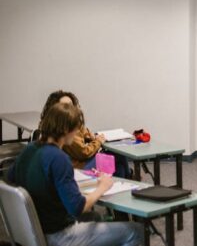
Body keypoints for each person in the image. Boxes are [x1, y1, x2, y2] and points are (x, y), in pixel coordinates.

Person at [9, 102, 143, 246]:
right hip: (57, 235)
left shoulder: (29, 150)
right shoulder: (59, 158)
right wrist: (102, 187)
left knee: (95, 217)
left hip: (30, 232)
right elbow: (78, 208)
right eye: (77, 128)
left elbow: (11, 181)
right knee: (136, 231)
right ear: (67, 129)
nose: (78, 133)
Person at [40, 90, 130, 178]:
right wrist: (97, 141)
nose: (70, 109)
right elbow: (84, 153)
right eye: (66, 106)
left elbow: (82, 130)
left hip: (80, 162)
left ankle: (123, 184)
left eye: (71, 105)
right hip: (78, 168)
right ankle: (129, 178)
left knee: (119, 167)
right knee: (116, 155)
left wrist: (92, 136)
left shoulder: (57, 123)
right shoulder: (64, 130)